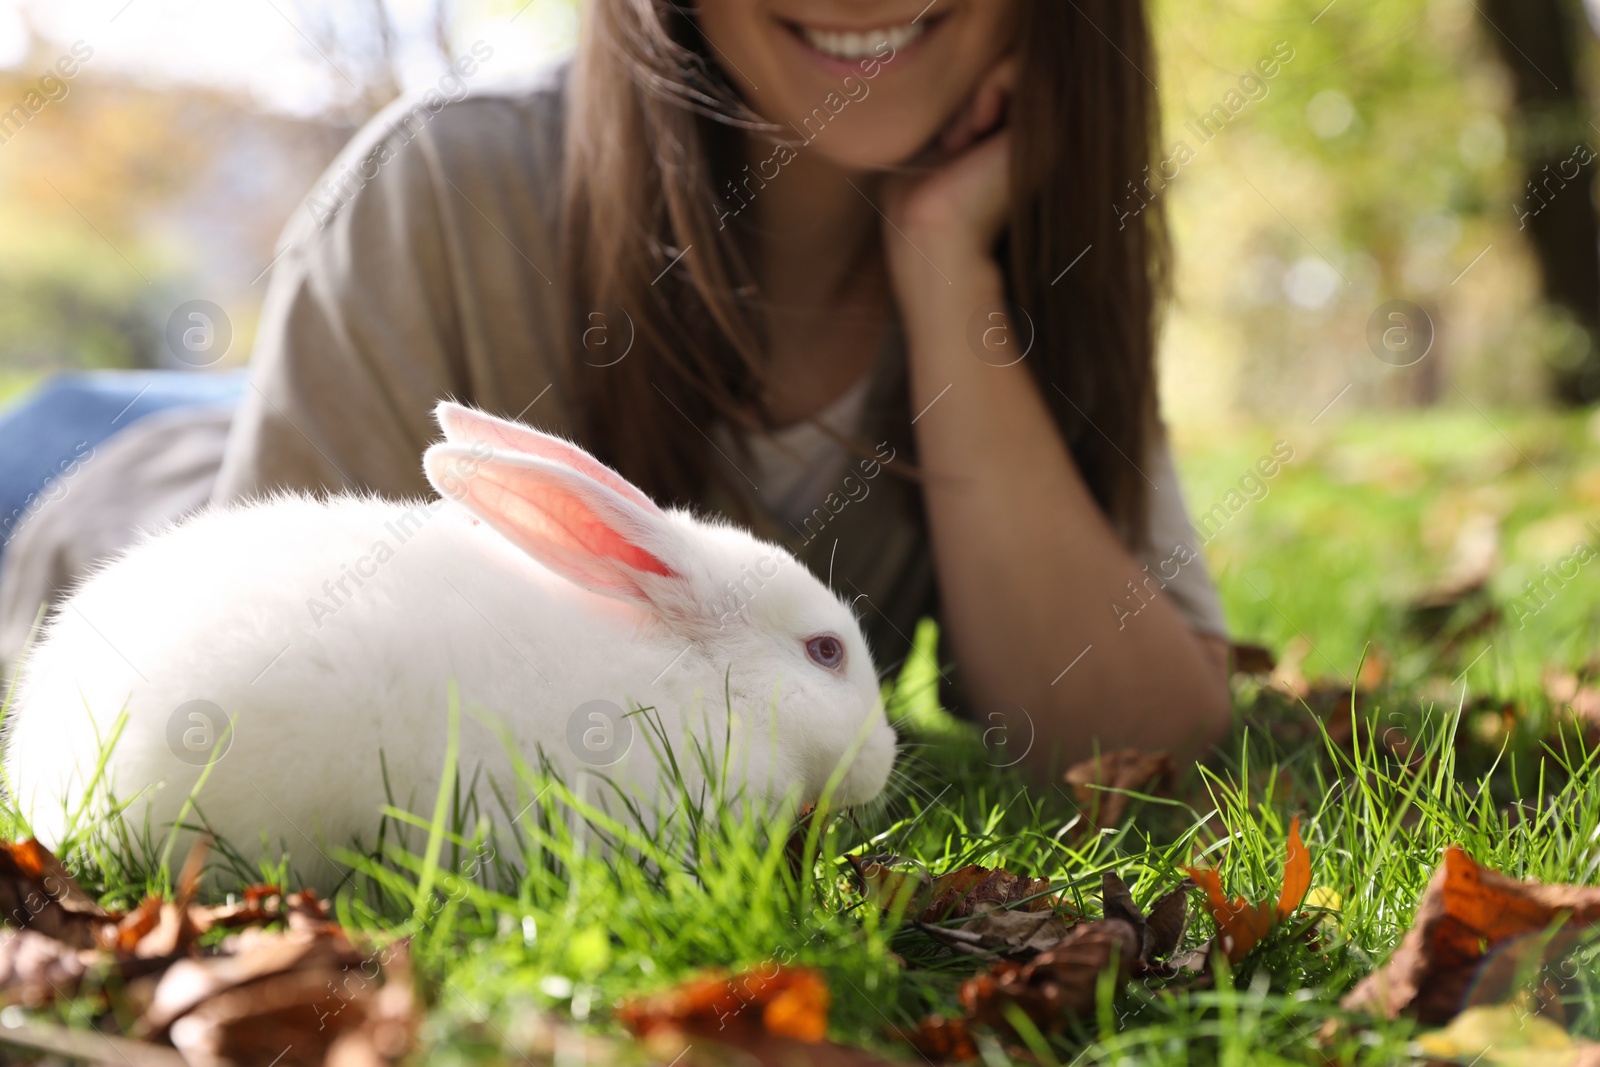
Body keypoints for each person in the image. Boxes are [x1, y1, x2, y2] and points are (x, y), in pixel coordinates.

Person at [0, 0, 1232, 773]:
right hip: (95, 475)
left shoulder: (1041, 245)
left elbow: (1134, 737)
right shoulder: (438, 191)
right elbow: (250, 651)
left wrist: (944, 269)